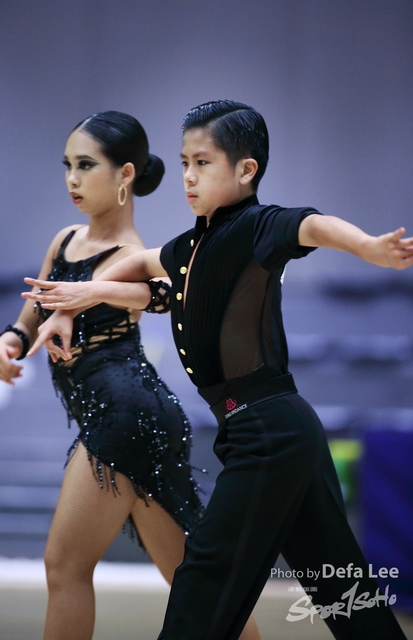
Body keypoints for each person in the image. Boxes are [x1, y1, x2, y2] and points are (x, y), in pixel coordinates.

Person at [22, 101, 413, 640]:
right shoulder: (188, 247)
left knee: (202, 586)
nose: (188, 175)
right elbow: (138, 265)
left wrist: (368, 246)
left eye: (202, 163)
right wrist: (75, 302)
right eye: (184, 162)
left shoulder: (259, 226)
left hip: (268, 432)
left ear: (246, 169)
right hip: (275, 429)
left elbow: (312, 225)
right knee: (343, 593)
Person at [0, 109, 261, 640]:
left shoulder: (135, 255)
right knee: (194, 578)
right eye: (67, 165)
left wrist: (95, 292)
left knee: (64, 566)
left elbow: (160, 295)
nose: (71, 178)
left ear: (125, 174)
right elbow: (29, 317)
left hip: (126, 416)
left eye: (86, 165)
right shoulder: (65, 240)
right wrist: (8, 342)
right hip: (137, 418)